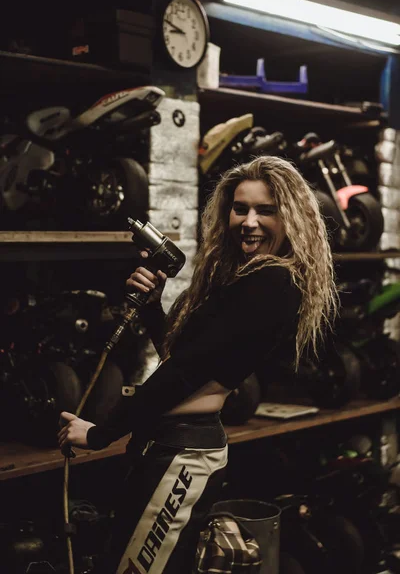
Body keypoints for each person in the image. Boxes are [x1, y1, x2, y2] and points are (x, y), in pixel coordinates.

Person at [58, 155, 338, 574]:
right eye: (240, 208)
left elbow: (181, 373)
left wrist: (100, 434)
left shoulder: (272, 282)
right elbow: (184, 354)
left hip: (184, 454)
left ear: (291, 219)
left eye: (266, 210)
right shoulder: (244, 279)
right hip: (169, 445)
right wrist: (153, 308)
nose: (249, 221)